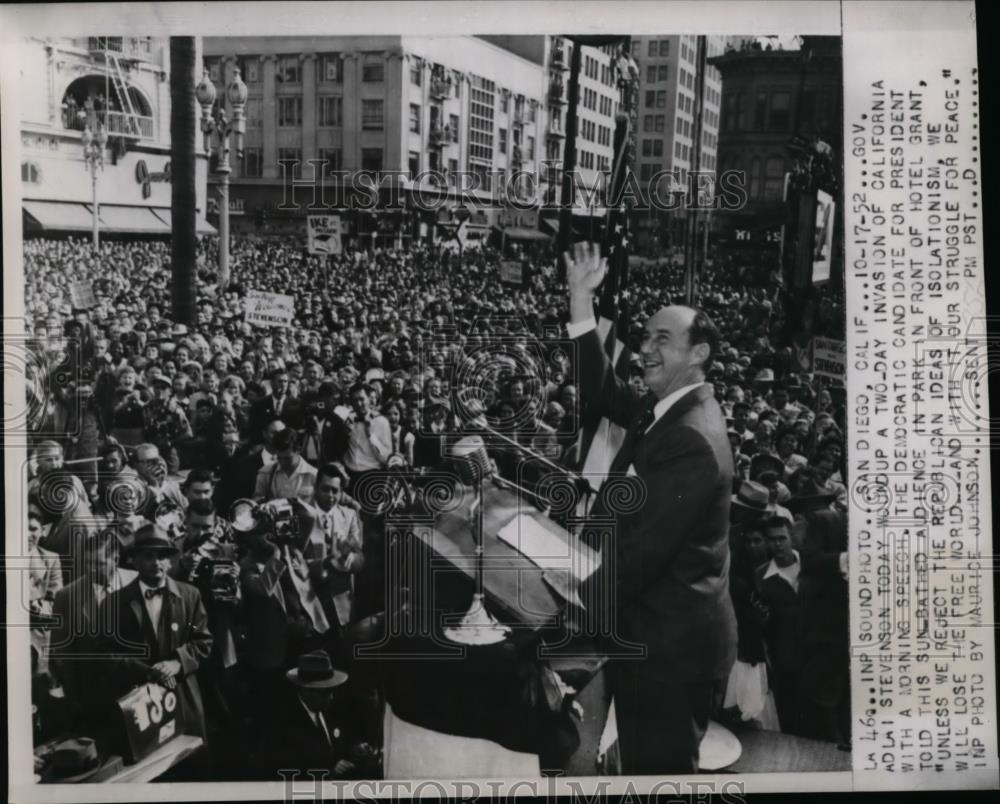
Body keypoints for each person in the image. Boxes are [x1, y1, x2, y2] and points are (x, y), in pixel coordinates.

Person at [566, 241, 736, 774]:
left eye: (663, 338)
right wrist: (579, 300)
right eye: (645, 337)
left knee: (656, 774)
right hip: (651, 632)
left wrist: (564, 602)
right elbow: (598, 388)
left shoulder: (692, 439)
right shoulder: (667, 409)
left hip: (669, 652)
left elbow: (638, 556)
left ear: (699, 354)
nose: (645, 348)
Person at [97, 523, 214, 742]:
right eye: (148, 556)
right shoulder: (115, 603)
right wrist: (147, 672)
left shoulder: (190, 595)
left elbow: (203, 642)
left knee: (191, 758)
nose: (156, 562)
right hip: (139, 704)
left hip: (182, 696)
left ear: (170, 560)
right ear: (134, 560)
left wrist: (177, 663)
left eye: (162, 556)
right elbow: (107, 654)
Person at [50, 529, 138, 730]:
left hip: (137, 689)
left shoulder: (137, 582)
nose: (91, 570)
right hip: (93, 697)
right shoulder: (66, 596)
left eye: (98, 564)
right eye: (87, 563)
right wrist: (73, 698)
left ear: (115, 560)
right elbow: (62, 654)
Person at [253, 428, 317, 503]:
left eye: (287, 459)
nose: (282, 462)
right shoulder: (266, 474)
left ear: (298, 450)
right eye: (279, 458)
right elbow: (256, 501)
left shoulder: (314, 475)